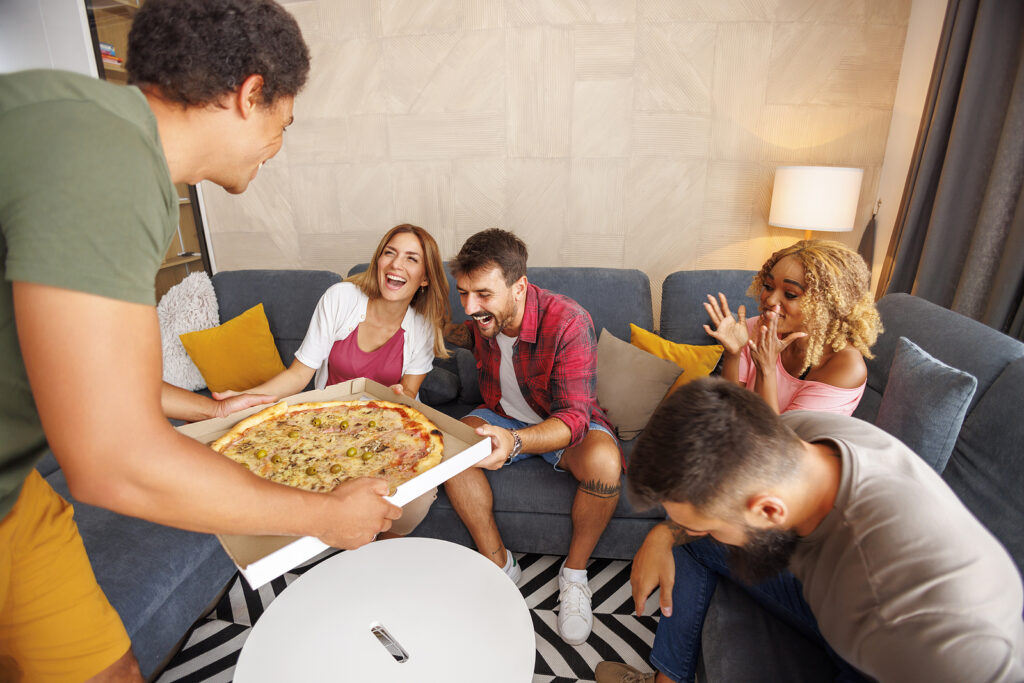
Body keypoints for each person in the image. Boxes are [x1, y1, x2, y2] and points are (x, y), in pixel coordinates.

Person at [0, 1, 400, 680]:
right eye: (284, 123)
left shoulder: (106, 142)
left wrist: (209, 411)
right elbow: (112, 459)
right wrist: (326, 515)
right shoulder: (106, 160)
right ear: (250, 95)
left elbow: (85, 371)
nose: (279, 144)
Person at [595, 378, 1024, 683]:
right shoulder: (795, 434)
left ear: (767, 510)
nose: (696, 529)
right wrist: (666, 535)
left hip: (887, 656)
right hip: (846, 608)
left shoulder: (911, 618)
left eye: (703, 524)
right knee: (692, 547)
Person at [443, 228, 623, 646]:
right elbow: (461, 330)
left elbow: (575, 418)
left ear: (519, 287)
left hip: (558, 424)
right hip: (500, 416)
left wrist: (516, 442)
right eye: (463, 293)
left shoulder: (569, 321)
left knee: (604, 465)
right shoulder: (482, 320)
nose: (471, 306)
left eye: (483, 295)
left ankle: (574, 577)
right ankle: (500, 565)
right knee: (451, 445)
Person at [219, 223, 450, 535]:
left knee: (413, 500)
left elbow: (408, 395)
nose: (396, 264)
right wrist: (247, 399)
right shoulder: (341, 298)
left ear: (425, 278)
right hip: (325, 426)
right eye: (390, 253)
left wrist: (400, 394)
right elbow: (299, 375)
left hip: (387, 431)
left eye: (411, 258)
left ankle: (380, 551)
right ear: (378, 261)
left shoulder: (421, 326)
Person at [703, 240, 882, 415]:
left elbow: (778, 441)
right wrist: (733, 355)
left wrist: (766, 368)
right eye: (768, 286)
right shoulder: (756, 328)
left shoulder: (845, 367)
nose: (770, 300)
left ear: (827, 305)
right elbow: (727, 412)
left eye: (790, 294)